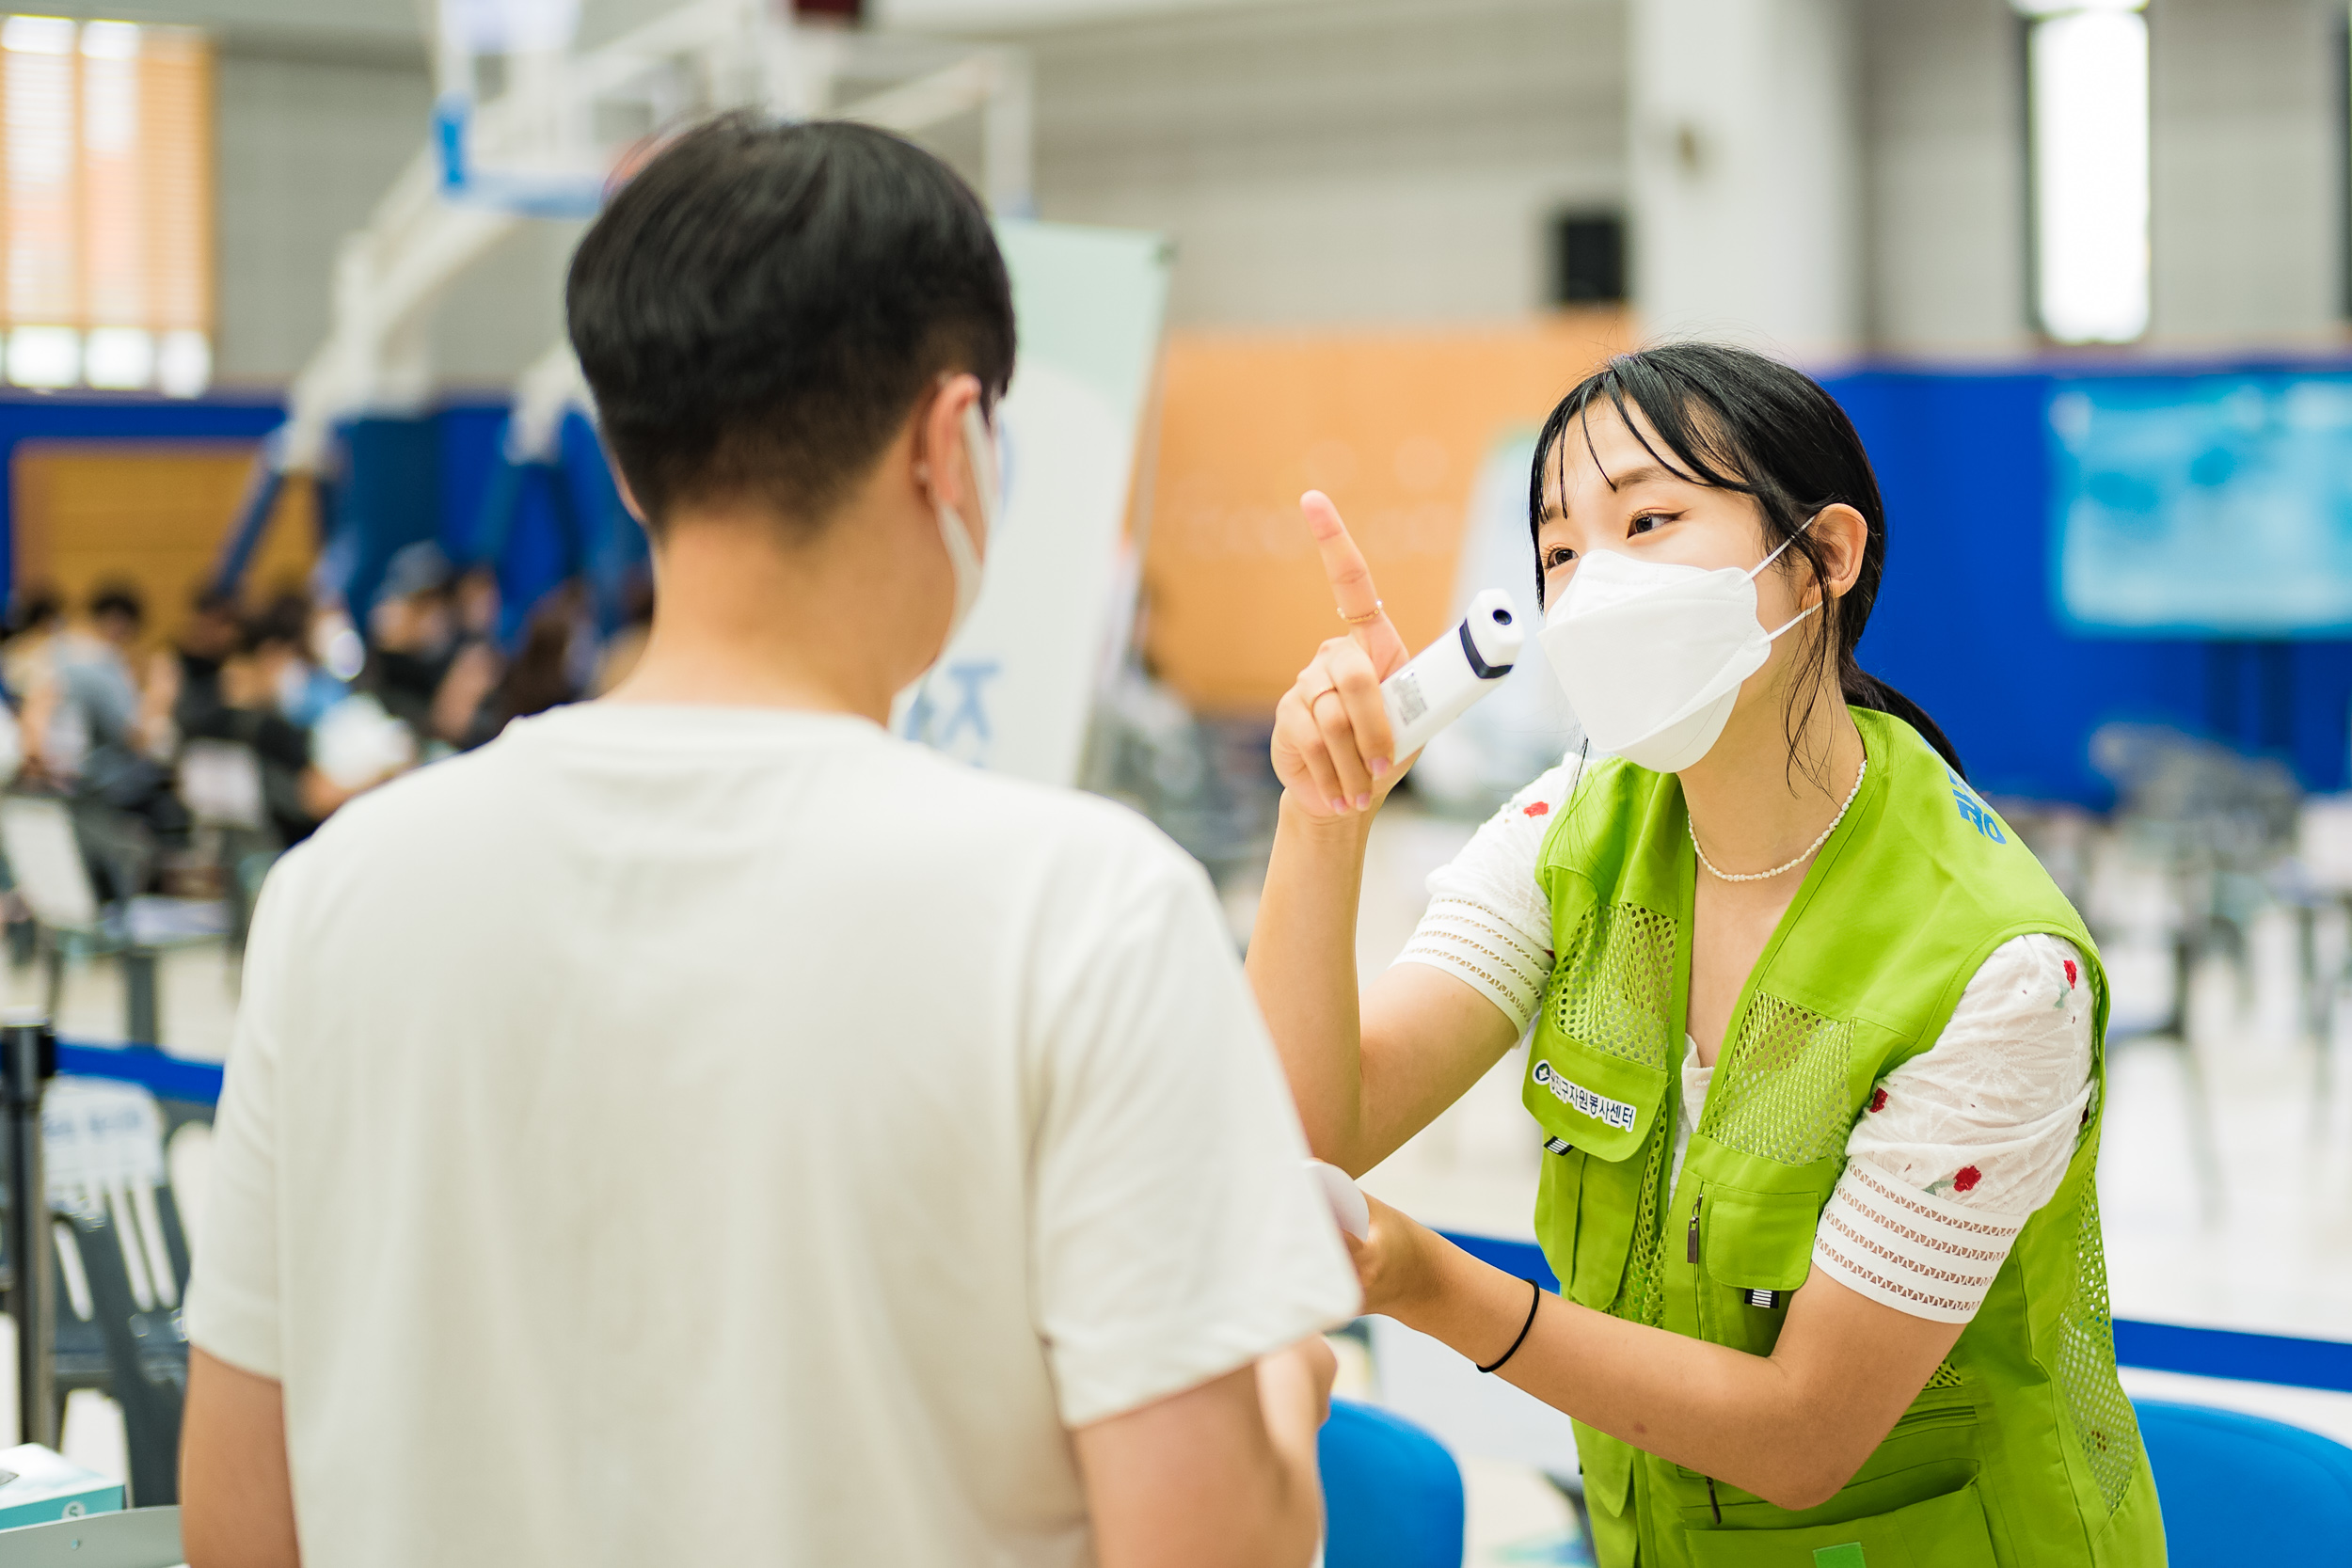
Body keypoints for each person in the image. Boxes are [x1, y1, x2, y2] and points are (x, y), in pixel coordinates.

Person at [180, 115, 1358, 1568]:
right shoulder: (1082, 910)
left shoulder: (336, 896)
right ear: (951, 442)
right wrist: (1287, 1385)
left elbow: (237, 1524)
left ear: (624, 462)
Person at [1249, 343, 2160, 1565]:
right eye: (1562, 551)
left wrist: (1421, 1278)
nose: (1594, 582)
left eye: (1651, 518)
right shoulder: (1573, 830)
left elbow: (1804, 1436)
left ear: (1824, 559)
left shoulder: (1996, 969)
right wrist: (1324, 812)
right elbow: (1301, 1136)